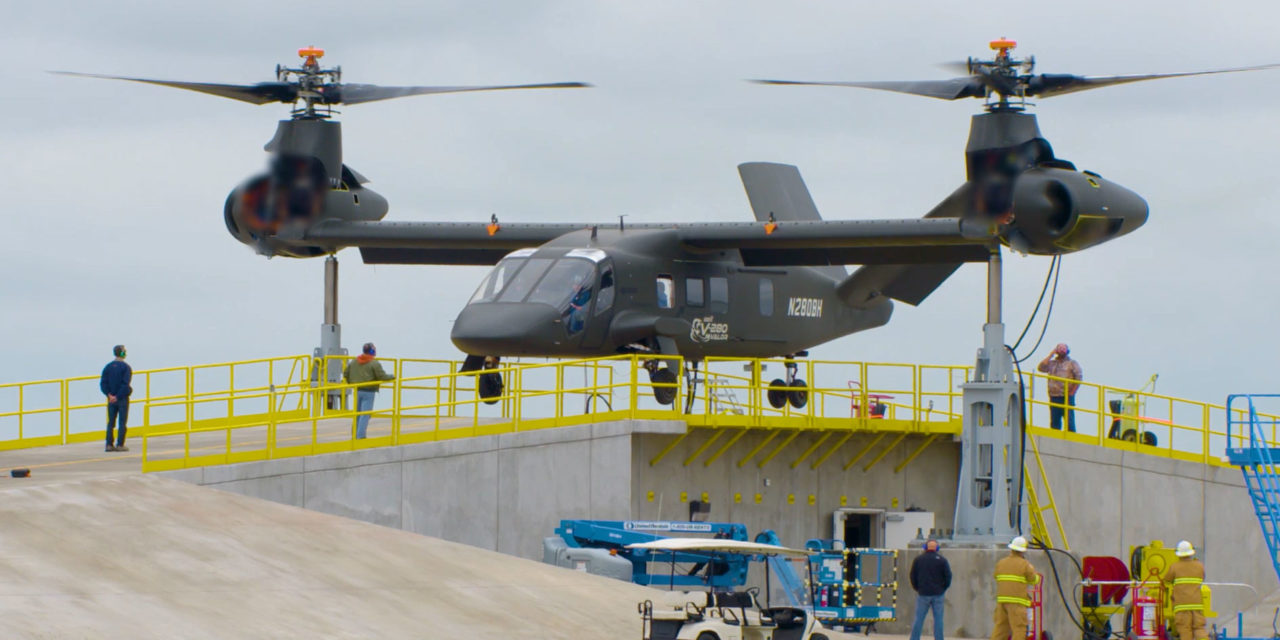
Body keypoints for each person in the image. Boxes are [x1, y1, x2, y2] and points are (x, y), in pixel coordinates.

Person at [991, 536, 1040, 640]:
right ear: (1023, 551)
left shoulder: (1001, 563)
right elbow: (1033, 579)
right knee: (1019, 629)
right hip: (1017, 603)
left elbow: (996, 576)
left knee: (1000, 629)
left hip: (1001, 601)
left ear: (1011, 549)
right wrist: (1036, 576)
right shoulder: (1025, 564)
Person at [343, 343, 395, 439]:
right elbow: (382, 376)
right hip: (369, 392)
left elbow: (345, 373)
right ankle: (360, 436)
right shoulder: (374, 363)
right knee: (365, 415)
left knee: (357, 414)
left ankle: (354, 436)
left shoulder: (354, 362)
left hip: (357, 390)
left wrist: (351, 383)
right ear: (372, 351)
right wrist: (392, 376)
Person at [1162, 540, 1207, 640]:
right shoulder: (1199, 566)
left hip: (1181, 605)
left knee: (1185, 630)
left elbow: (1166, 581)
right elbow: (1202, 578)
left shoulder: (1175, 567)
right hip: (1197, 604)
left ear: (1179, 554)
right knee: (1199, 628)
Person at [909, 538, 952, 640]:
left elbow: (912, 576)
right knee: (938, 620)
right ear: (937, 548)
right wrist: (942, 588)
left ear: (925, 547)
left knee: (919, 619)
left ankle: (914, 638)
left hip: (923, 593)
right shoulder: (942, 560)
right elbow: (948, 577)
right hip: (938, 593)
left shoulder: (918, 560)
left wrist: (917, 588)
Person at [1038, 343, 1082, 432]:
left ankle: (1071, 438)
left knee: (1069, 421)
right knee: (1055, 421)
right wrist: (1051, 355)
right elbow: (1041, 368)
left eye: (1064, 348)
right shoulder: (1052, 363)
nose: (1062, 350)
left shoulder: (1072, 363)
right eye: (1060, 348)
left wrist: (1072, 392)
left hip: (1066, 395)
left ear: (1067, 350)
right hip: (1054, 395)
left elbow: (1079, 377)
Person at [99, 344, 133, 452]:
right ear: (122, 353)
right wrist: (118, 396)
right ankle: (120, 444)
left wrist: (109, 395)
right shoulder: (126, 367)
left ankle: (109, 444)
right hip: (122, 399)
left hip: (111, 399)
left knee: (111, 422)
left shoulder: (108, 367)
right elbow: (125, 384)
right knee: (122, 422)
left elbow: (103, 383)